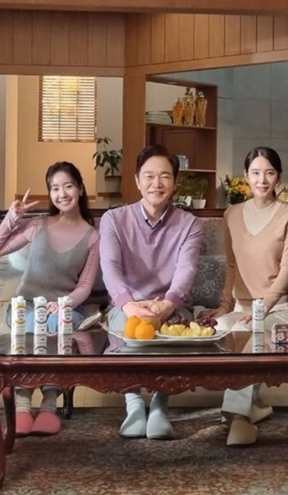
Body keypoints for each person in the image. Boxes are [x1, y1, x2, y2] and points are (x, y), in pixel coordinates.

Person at [0, 161, 100, 436]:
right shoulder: (38, 225)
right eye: (55, 188)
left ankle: (49, 407)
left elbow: (85, 285)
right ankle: (23, 408)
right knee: (30, 324)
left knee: (56, 325)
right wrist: (12, 217)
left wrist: (62, 305)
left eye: (68, 186)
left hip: (65, 307)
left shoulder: (92, 237)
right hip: (26, 305)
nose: (62, 194)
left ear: (80, 189)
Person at [202, 147, 288, 446]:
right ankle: (250, 406)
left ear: (278, 177)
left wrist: (262, 308)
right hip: (243, 308)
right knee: (223, 328)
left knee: (253, 329)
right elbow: (232, 266)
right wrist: (224, 306)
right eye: (256, 173)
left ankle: (237, 416)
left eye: (269, 173)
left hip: (284, 308)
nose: (262, 180)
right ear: (246, 176)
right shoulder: (232, 214)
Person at [99, 144, 204, 440]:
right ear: (137, 180)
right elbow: (110, 268)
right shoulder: (113, 220)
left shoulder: (190, 224)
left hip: (171, 305)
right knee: (129, 331)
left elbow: (186, 271)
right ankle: (133, 406)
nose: (156, 183)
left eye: (164, 176)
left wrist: (168, 304)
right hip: (127, 304)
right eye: (149, 176)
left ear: (174, 182)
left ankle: (159, 405)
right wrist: (129, 305)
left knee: (169, 336)